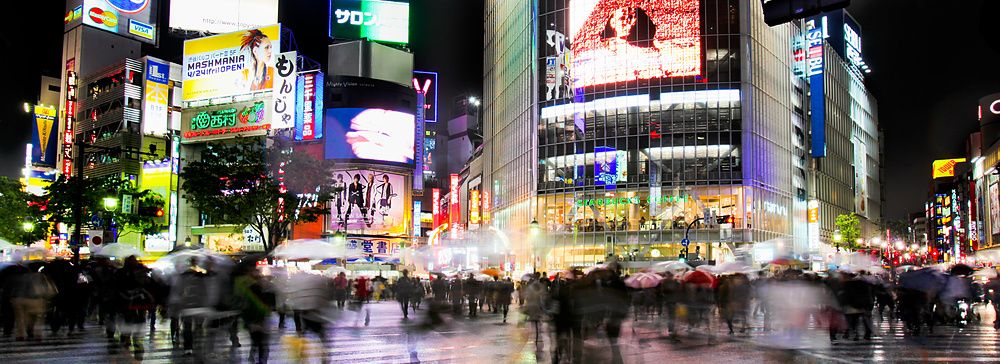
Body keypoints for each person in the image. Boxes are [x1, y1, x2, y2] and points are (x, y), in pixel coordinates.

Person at [233, 264, 274, 364]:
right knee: (261, 342)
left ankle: (255, 357)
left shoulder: (244, 285)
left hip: (254, 318)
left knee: (257, 341)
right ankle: (259, 359)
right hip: (258, 318)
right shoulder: (254, 287)